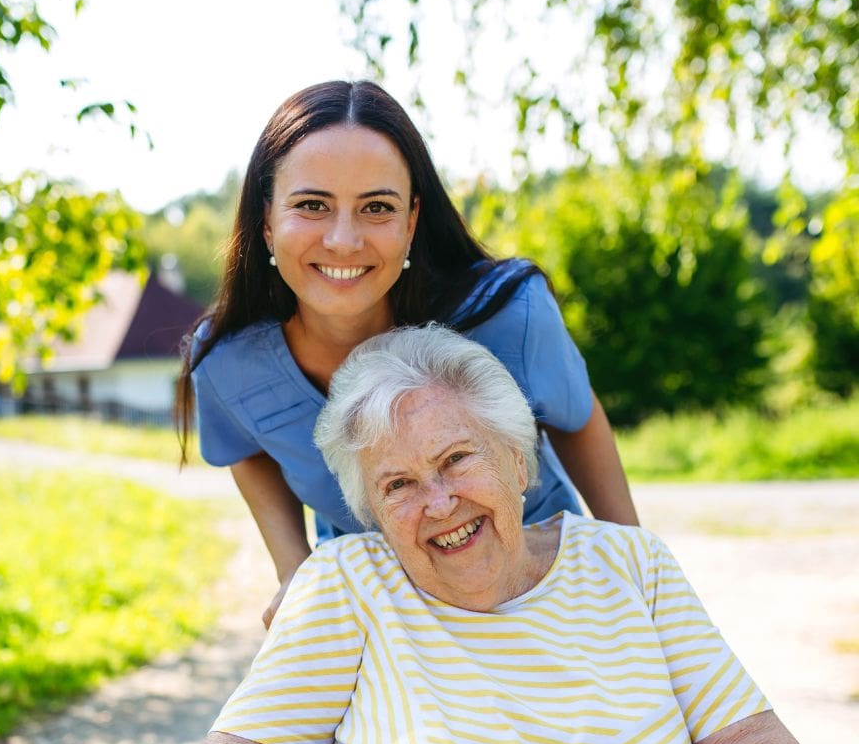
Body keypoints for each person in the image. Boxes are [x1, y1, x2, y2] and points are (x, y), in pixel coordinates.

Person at [182, 326, 819, 744]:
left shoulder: (632, 568)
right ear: (370, 508)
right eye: (398, 485)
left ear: (519, 461)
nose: (438, 503)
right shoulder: (347, 585)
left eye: (458, 459)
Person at [175, 79, 639, 627]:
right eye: (312, 205)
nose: (344, 241)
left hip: (543, 586)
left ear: (412, 221)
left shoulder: (510, 315)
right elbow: (244, 445)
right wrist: (293, 569)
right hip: (381, 610)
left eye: (376, 207)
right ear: (268, 223)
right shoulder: (228, 362)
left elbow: (577, 419)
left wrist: (635, 564)